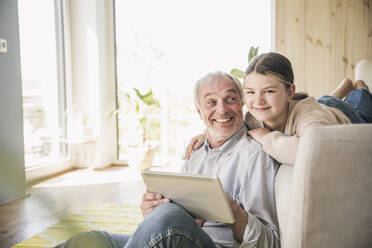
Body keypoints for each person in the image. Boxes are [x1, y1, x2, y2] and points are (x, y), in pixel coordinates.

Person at [56, 71, 280, 248]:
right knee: (89, 241)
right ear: (199, 112)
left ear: (241, 104)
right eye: (211, 102)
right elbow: (180, 223)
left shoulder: (255, 156)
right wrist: (152, 214)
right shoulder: (196, 152)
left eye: (230, 99)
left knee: (168, 217)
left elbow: (270, 242)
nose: (222, 109)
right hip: (180, 238)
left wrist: (231, 210)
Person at [186, 52, 372, 165]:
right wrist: (208, 134)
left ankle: (360, 86)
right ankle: (342, 88)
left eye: (268, 91)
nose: (257, 101)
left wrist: (268, 138)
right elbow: (231, 122)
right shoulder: (254, 117)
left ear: (289, 92)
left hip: (346, 115)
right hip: (320, 105)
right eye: (250, 92)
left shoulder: (309, 116)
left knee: (362, 102)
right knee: (323, 100)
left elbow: (315, 152)